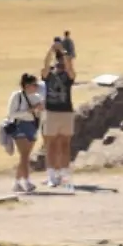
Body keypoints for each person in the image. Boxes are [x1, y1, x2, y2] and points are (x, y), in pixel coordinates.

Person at [40, 43, 77, 190]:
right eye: (58, 61)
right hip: (51, 112)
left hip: (66, 112)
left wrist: (63, 52)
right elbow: (45, 65)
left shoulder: (68, 77)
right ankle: (51, 176)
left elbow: (70, 68)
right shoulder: (48, 76)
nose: (60, 64)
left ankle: (64, 175)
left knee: (65, 144)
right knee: (51, 145)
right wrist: (51, 50)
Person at [5, 73, 44, 193]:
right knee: (24, 155)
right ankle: (26, 182)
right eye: (34, 85)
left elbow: (39, 115)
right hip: (19, 125)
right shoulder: (17, 96)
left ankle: (18, 182)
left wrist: (39, 111)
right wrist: (29, 111)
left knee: (25, 156)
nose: (36, 87)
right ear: (26, 86)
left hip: (32, 126)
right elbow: (12, 114)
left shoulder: (37, 97)